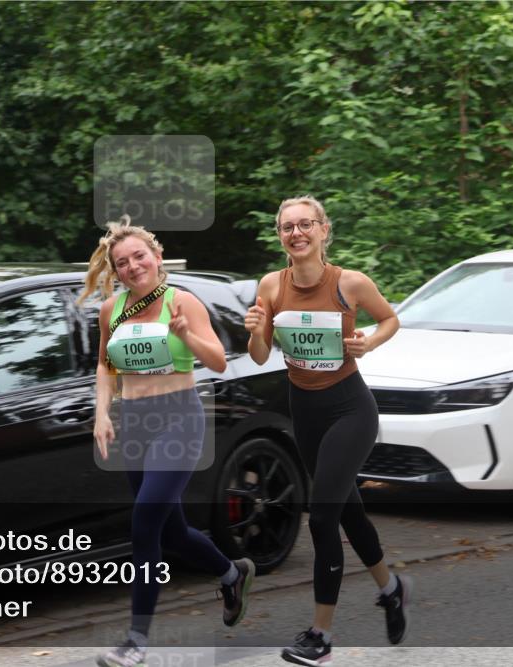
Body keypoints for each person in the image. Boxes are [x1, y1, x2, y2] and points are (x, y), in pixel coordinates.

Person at [79, 215, 255, 667]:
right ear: (115, 271)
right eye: (122, 262)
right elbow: (104, 366)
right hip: (135, 423)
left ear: (157, 258)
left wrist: (186, 335)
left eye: (140, 256)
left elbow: (217, 361)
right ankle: (231, 572)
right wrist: (102, 412)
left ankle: (136, 641)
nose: (133, 266)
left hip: (178, 419)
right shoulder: (111, 310)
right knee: (171, 530)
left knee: (144, 524)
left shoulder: (184, 302)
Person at [243, 195, 409, 666]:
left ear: (323, 230)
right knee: (348, 513)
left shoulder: (350, 284)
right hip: (305, 411)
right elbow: (258, 356)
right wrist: (257, 329)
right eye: (286, 227)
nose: (296, 233)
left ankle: (320, 635)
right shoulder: (271, 287)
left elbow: (391, 318)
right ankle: (392, 589)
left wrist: (368, 343)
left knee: (320, 516)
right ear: (280, 235)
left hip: (350, 410)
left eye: (305, 225)